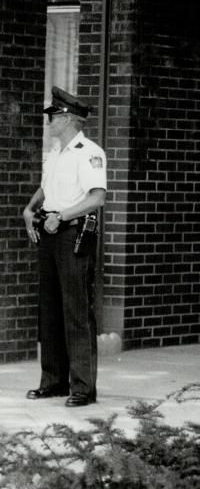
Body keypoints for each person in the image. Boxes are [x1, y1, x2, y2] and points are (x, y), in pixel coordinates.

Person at [23, 87, 107, 407]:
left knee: (76, 311)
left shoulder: (88, 152)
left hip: (72, 232)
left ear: (69, 119)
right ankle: (53, 381)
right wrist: (29, 210)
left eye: (53, 116)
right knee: (50, 308)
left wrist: (62, 216)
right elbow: (46, 188)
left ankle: (83, 388)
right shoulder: (55, 153)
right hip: (49, 231)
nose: (49, 121)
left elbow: (97, 197)